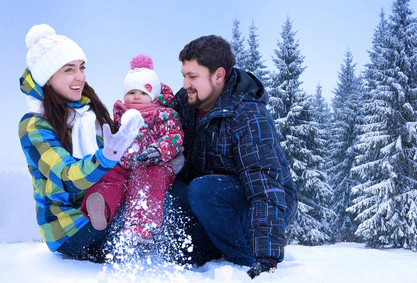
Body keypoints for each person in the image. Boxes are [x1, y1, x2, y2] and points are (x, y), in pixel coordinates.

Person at [172, 35, 298, 278]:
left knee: (204, 189)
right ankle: (207, 250)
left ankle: (245, 257)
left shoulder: (247, 115)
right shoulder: (186, 103)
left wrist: (266, 257)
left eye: (193, 76)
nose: (186, 83)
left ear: (218, 75)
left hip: (260, 201)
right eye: (184, 75)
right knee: (171, 188)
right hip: (213, 204)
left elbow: (265, 185)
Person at [18, 24, 144, 262]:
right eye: (68, 70)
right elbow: (66, 176)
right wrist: (107, 157)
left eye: (81, 67)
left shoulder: (88, 111)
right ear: (48, 77)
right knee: (151, 210)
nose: (80, 77)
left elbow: (121, 158)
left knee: (163, 194)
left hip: (104, 202)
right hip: (70, 226)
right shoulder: (34, 125)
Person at [81, 54, 183, 244]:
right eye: (131, 92)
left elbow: (174, 137)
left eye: (143, 93)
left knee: (147, 180)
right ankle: (100, 207)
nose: (136, 96)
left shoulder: (163, 114)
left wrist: (157, 150)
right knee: (109, 176)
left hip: (152, 163)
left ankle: (140, 227)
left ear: (153, 96)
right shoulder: (120, 115)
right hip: (125, 163)